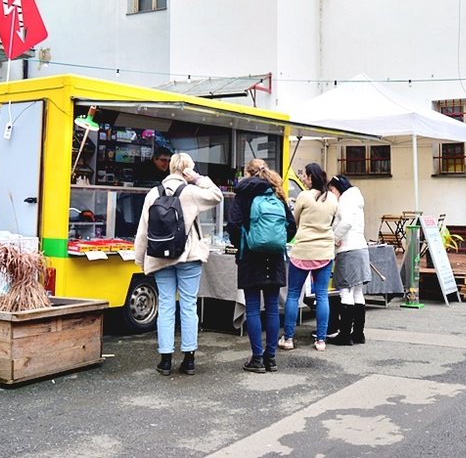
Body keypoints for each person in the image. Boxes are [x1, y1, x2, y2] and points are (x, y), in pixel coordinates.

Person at [134, 152, 222, 376]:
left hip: (159, 257)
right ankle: (189, 359)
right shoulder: (191, 192)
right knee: (189, 305)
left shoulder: (153, 193)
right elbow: (217, 195)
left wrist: (140, 258)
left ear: (170, 167)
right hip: (188, 256)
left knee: (165, 305)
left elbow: (143, 230)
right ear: (187, 170)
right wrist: (198, 178)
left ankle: (165, 360)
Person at [228, 159, 297, 374]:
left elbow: (233, 225)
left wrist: (243, 241)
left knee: (253, 307)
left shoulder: (242, 195)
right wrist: (276, 240)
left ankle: (257, 358)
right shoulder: (277, 194)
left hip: (250, 256)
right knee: (273, 308)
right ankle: (271, 358)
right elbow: (292, 227)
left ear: (248, 173)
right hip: (275, 257)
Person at [279, 162, 338, 352]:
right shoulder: (332, 199)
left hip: (303, 250)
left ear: (311, 177)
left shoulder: (303, 196)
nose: (303, 178)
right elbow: (333, 221)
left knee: (293, 295)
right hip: (324, 251)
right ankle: (320, 340)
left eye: (304, 175)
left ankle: (288, 338)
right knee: (322, 295)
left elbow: (294, 221)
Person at [327, 175, 371, 345]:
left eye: (332, 190)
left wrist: (334, 237)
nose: (332, 194)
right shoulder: (356, 199)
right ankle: (358, 334)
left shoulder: (345, 200)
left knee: (345, 291)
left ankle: (344, 335)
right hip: (361, 248)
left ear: (338, 188)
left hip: (348, 250)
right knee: (358, 292)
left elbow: (345, 223)